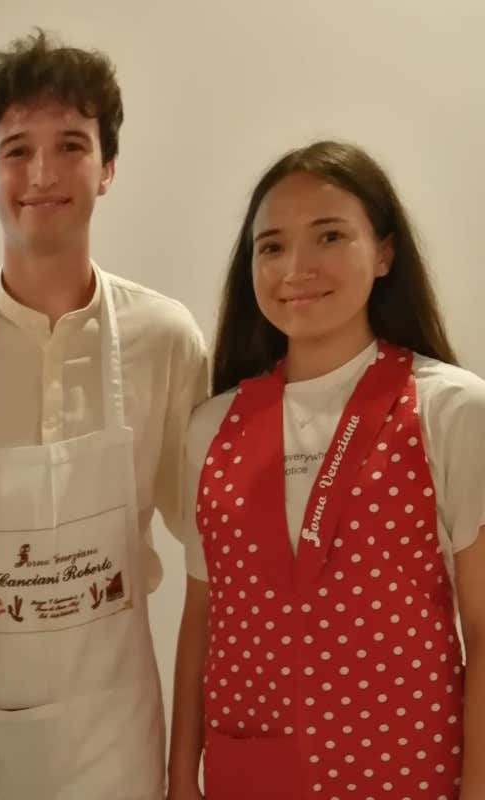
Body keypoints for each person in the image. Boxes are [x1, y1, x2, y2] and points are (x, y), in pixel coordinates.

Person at [0, 30, 209, 799]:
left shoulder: (163, 338)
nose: (42, 174)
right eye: (15, 152)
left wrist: (193, 764)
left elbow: (215, 553)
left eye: (71, 145)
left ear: (107, 169)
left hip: (116, 736)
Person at [167, 140, 485, 800]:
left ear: (385, 252)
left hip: (406, 769)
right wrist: (179, 777)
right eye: (272, 246)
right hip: (250, 769)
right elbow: (202, 615)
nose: (297, 267)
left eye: (330, 236)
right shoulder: (213, 427)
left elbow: (483, 628)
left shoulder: (449, 409)